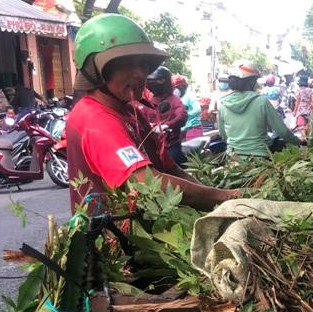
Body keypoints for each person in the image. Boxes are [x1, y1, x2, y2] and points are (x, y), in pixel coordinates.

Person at [63, 14, 237, 213]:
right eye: (126, 64)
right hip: (114, 231)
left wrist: (219, 200)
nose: (139, 73)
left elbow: (170, 169)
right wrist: (227, 198)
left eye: (143, 64)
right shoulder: (96, 119)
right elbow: (146, 182)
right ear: (95, 70)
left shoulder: (129, 112)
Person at [218, 61, 301, 158]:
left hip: (233, 157)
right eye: (255, 80)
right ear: (251, 81)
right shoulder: (261, 101)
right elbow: (282, 131)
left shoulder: (223, 104)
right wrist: (298, 142)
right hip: (259, 157)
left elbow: (223, 134)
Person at [138, 65, 187, 165]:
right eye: (149, 81)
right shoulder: (148, 102)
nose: (151, 84)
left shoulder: (174, 100)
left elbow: (182, 116)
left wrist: (167, 125)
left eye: (154, 81)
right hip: (154, 147)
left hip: (170, 145)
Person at [175, 76, 202, 141]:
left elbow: (197, 109)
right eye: (174, 88)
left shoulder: (190, 96)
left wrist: (185, 116)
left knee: (192, 147)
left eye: (177, 87)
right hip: (181, 129)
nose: (175, 90)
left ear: (184, 87)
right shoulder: (175, 98)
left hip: (192, 127)